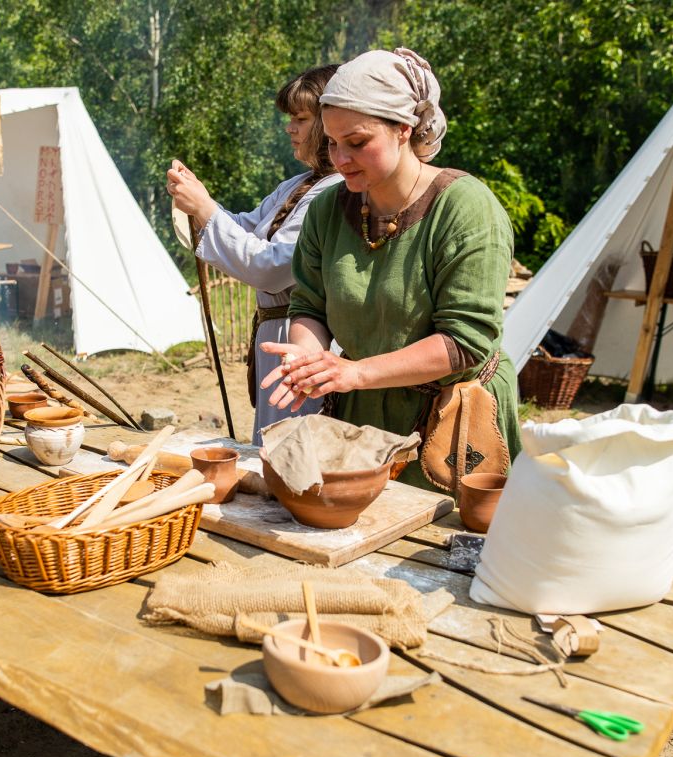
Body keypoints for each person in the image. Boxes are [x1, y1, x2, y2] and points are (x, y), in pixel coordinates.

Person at [260, 49, 521, 492]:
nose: (340, 159)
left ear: (404, 129)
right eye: (331, 142)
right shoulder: (329, 209)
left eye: (357, 143)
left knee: (437, 551)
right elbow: (310, 304)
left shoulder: (466, 208)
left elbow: (465, 342)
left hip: (453, 419)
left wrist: (355, 373)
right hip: (361, 410)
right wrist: (308, 355)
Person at [167, 65, 343, 444]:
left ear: (330, 122)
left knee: (293, 444)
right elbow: (245, 227)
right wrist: (201, 201)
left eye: (300, 118)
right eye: (289, 118)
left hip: (305, 338)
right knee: (272, 441)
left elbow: (275, 267)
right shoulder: (299, 184)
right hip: (275, 332)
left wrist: (206, 209)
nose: (289, 128)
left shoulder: (337, 191)